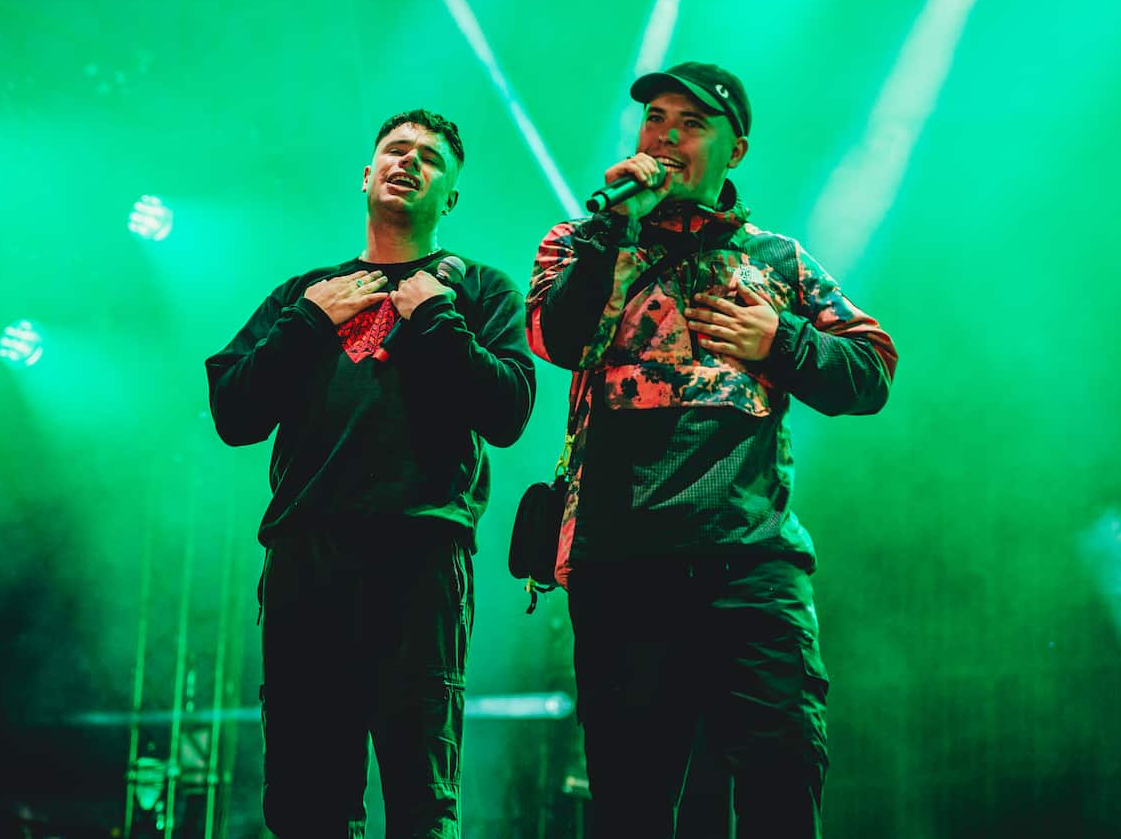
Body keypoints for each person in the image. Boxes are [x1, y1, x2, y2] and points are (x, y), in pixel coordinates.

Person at [526, 63, 898, 838]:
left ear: (737, 149)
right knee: (632, 803)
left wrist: (782, 337)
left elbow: (871, 369)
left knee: (781, 784)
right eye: (655, 117)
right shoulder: (580, 239)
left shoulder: (778, 261)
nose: (664, 134)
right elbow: (555, 337)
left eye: (690, 122)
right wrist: (616, 228)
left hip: (751, 568)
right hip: (623, 568)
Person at [205, 108, 536, 838]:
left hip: (419, 561)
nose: (408, 162)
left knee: (421, 796)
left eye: (429, 158)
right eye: (395, 149)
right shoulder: (307, 293)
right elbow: (233, 413)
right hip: (307, 562)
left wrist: (438, 319)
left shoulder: (477, 289)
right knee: (304, 801)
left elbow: (511, 411)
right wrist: (306, 323)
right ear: (366, 174)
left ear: (450, 196)